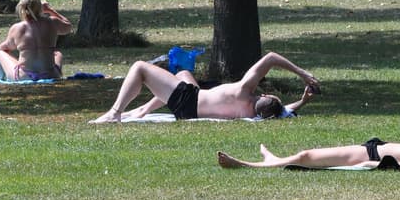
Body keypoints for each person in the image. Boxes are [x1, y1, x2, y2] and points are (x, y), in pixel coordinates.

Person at [91, 51, 320, 123]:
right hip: (194, 100)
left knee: (140, 68)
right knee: (183, 74)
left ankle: (116, 112)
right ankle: (142, 111)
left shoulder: (244, 90)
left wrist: (302, 73)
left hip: (187, 101)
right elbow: (283, 111)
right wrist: (303, 101)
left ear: (265, 93)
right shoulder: (256, 115)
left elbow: (270, 58)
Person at [217, 136, 400, 170]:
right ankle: (273, 160)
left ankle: (249, 165)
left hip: (369, 155)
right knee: (306, 154)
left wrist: (376, 165)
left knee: (307, 155)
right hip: (373, 147)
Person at [0, 0, 74, 81]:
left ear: (21, 8)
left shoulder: (17, 28)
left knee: (1, 53)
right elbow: (68, 26)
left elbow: (7, 46)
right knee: (58, 54)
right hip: (51, 75)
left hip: (24, 76)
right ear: (40, 7)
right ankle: (53, 73)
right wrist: (50, 10)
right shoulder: (52, 22)